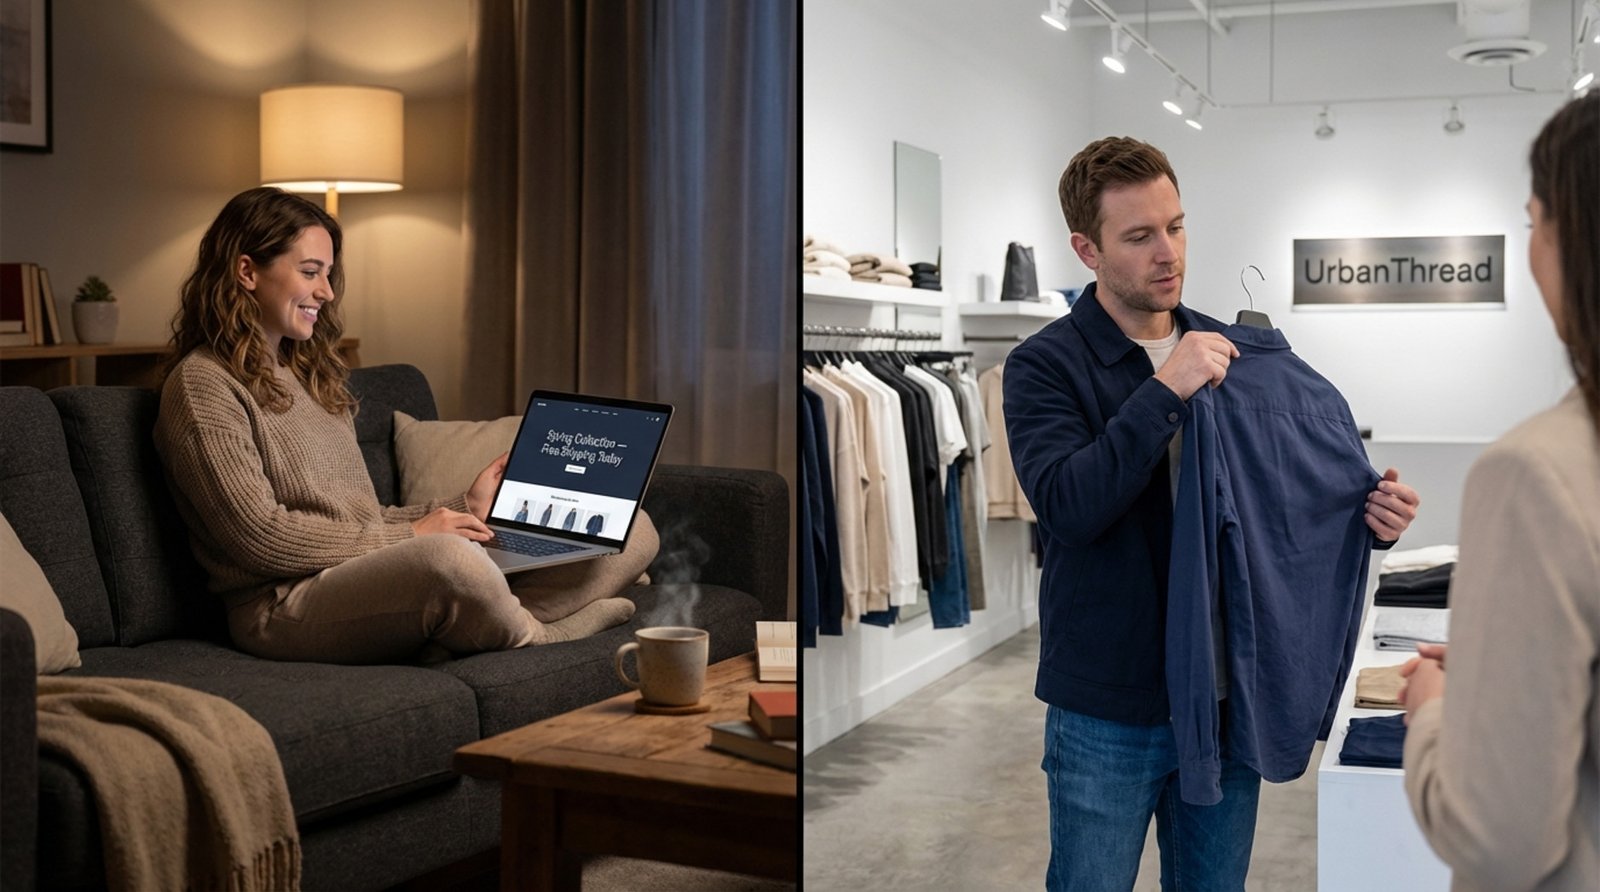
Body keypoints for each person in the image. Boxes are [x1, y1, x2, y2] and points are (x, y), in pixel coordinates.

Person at [1004, 137, 1420, 889]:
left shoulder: (1231, 355)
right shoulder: (1045, 365)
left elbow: (1276, 503)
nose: (1168, 252)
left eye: (1177, 225)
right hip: (1108, 706)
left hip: (1229, 695)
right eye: (1138, 236)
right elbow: (1069, 506)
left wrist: (1370, 516)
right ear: (1086, 249)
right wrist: (1165, 390)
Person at [154, 187, 656, 664]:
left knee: (630, 527)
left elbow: (358, 519)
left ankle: (477, 623)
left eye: (328, 274)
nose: (326, 292)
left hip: (367, 570)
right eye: (310, 272)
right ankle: (539, 632)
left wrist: (464, 508)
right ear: (246, 271)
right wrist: (415, 535)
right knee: (452, 562)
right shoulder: (202, 385)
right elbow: (258, 537)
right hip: (281, 604)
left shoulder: (308, 375)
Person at [1399, 92, 1599, 891]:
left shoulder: (1535, 475)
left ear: (1566, 237)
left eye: (1531, 221)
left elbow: (1497, 839)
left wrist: (1437, 709)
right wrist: (1508, 669)